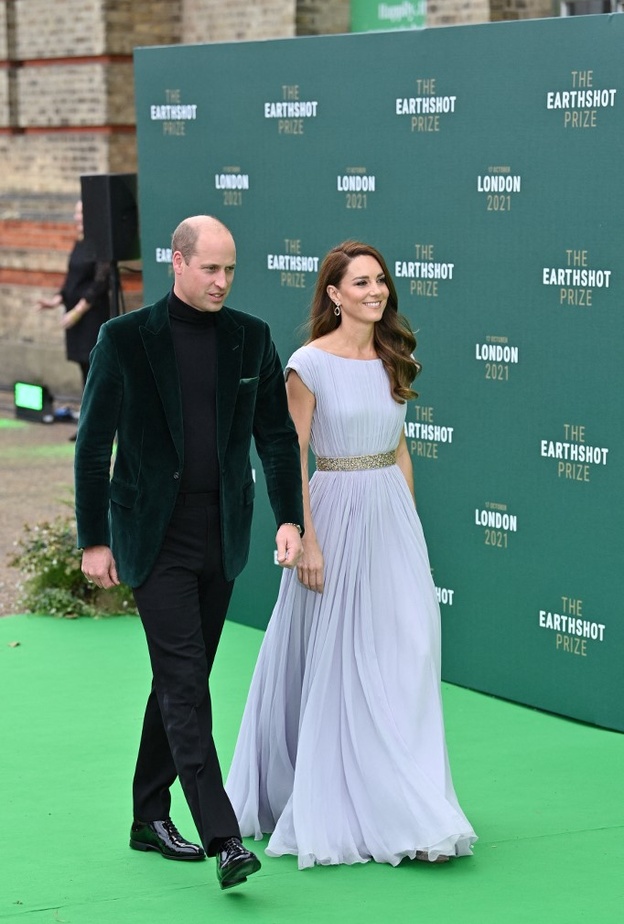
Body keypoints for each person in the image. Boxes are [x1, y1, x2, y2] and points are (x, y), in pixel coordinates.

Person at [226, 240, 477, 868]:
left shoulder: (393, 356)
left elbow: (399, 450)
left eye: (380, 281)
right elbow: (294, 453)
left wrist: (410, 528)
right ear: (333, 295)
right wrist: (306, 537)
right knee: (334, 658)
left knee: (407, 652)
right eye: (360, 283)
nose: (375, 291)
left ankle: (407, 800)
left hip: (390, 516)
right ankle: (339, 798)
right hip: (333, 512)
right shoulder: (308, 365)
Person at [74, 215, 304, 890]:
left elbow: (276, 437)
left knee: (181, 678)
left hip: (220, 533)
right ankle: (224, 838)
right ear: (176, 262)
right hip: (153, 534)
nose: (222, 281)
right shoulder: (125, 339)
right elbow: (92, 444)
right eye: (210, 269)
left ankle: (149, 815)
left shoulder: (250, 338)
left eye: (230, 269)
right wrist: (93, 538)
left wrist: (288, 518)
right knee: (184, 684)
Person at [37, 200, 111, 436]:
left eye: (81, 213)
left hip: (90, 317)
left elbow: (100, 282)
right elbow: (73, 279)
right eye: (76, 213)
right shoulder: (78, 243)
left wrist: (79, 310)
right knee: (83, 371)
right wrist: (56, 300)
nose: (76, 218)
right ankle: (88, 425)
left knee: (94, 371)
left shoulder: (100, 244)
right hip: (75, 318)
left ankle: (99, 429)